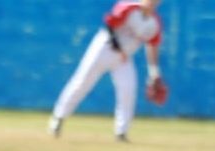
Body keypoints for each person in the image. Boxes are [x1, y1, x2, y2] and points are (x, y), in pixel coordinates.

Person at [48, 0, 167, 142]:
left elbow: (152, 46)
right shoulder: (129, 7)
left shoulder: (154, 23)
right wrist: (119, 49)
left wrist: (154, 72)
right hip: (104, 49)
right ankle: (58, 118)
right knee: (82, 83)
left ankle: (121, 132)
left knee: (128, 90)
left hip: (123, 59)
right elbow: (109, 26)